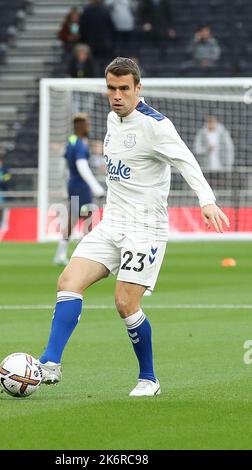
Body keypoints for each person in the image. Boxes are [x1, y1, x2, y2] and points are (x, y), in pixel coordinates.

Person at [38, 57, 229, 397]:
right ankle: (50, 364)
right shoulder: (113, 119)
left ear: (138, 88)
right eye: (111, 88)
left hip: (145, 227)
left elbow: (186, 159)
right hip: (112, 222)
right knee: (68, 281)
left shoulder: (155, 125)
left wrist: (207, 200)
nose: (117, 95)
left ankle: (149, 378)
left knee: (125, 302)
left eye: (124, 88)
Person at [54, 113, 105, 265]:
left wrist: (64, 183)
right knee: (86, 217)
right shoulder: (80, 144)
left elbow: (61, 165)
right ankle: (86, 255)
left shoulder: (71, 141)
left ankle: (62, 253)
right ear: (80, 126)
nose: (88, 127)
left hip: (73, 184)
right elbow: (82, 166)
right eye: (87, 124)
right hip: (81, 185)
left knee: (75, 217)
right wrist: (96, 187)